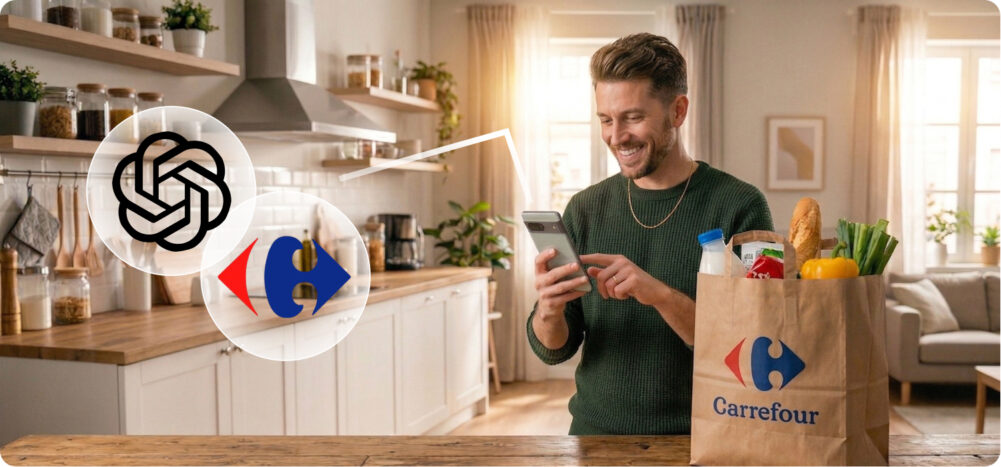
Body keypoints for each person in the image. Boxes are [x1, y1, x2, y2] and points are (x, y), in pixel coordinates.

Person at [527, 33, 774, 435]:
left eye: (633, 117)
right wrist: (548, 311)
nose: (616, 136)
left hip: (706, 439)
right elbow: (555, 349)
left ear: (678, 111)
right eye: (606, 120)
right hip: (595, 439)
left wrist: (657, 294)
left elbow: (759, 345)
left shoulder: (743, 206)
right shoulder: (584, 209)